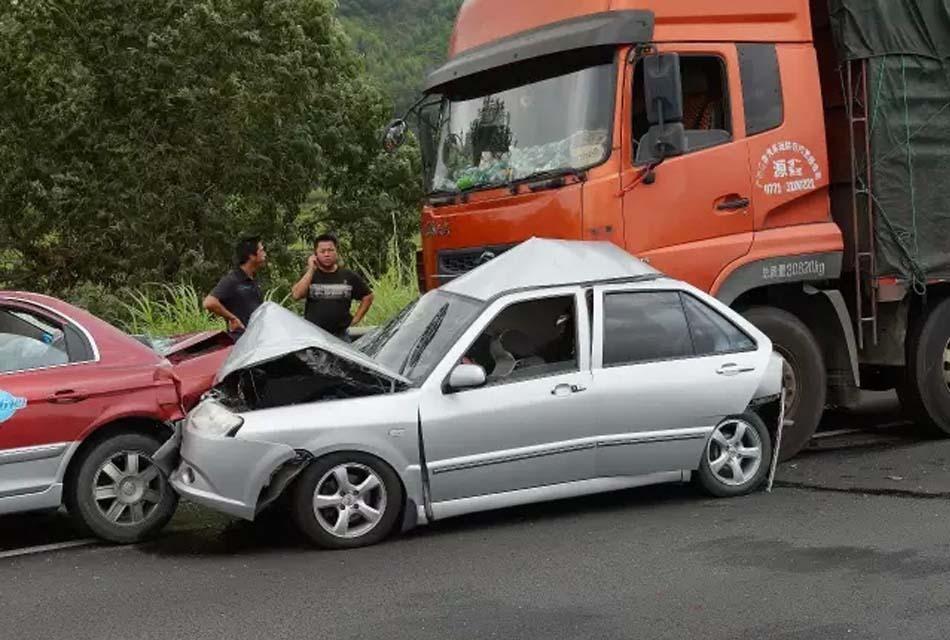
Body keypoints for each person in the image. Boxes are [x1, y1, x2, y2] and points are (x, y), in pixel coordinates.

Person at [291, 233, 374, 340]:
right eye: (322, 251)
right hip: (314, 335)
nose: (327, 254)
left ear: (337, 252)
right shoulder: (309, 275)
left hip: (341, 335)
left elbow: (368, 296)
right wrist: (311, 269)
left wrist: (356, 319)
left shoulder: (348, 275)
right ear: (315, 254)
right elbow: (296, 295)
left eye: (330, 250)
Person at [203, 236, 266, 338]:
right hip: (240, 342)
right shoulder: (232, 279)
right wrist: (232, 318)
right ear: (251, 256)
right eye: (261, 251)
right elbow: (209, 302)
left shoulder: (254, 279)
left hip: (255, 341)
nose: (265, 254)